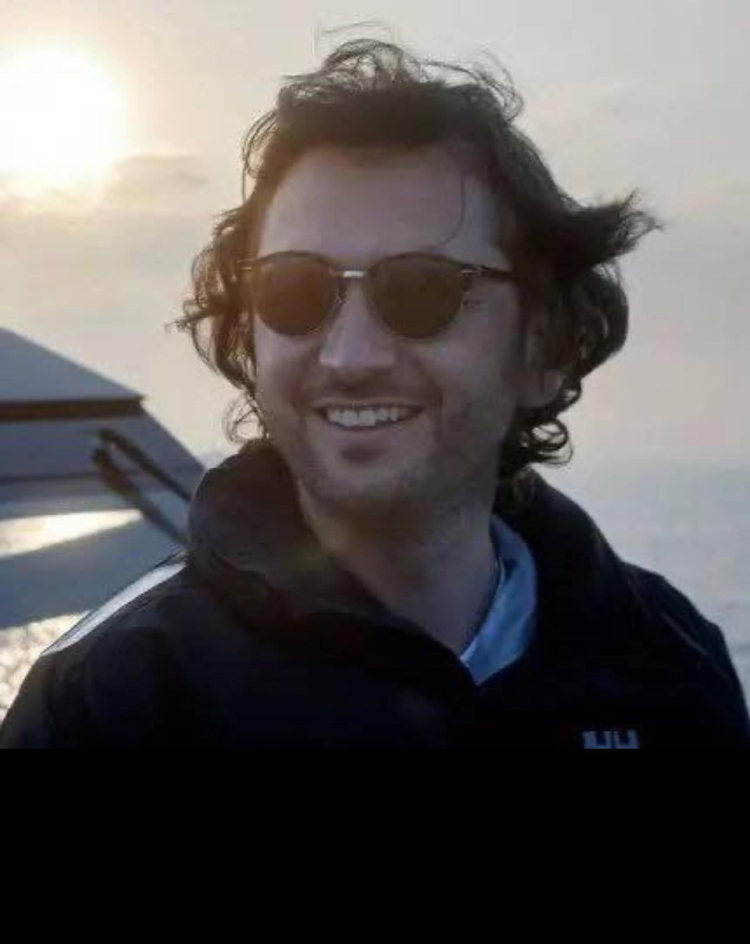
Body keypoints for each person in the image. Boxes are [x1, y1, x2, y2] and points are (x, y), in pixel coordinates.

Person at [2, 38, 748, 749]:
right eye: (295, 291)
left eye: (422, 291)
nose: (351, 356)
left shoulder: (664, 668)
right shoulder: (112, 703)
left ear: (544, 347)